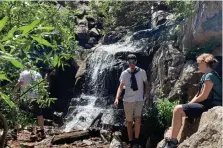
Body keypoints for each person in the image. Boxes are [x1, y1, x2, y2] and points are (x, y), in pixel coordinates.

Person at [163, 53, 222, 148]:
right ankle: (172, 139)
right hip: (206, 104)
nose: (197, 65)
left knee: (178, 109)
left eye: (199, 63)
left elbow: (204, 96)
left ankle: (172, 142)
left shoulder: (210, 76)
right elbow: (198, 95)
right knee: (179, 108)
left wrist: (186, 106)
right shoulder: (206, 76)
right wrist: (188, 105)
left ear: (204, 63)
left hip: (211, 105)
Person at [114, 54, 150, 148]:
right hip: (127, 100)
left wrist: (146, 94)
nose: (132, 64)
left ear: (136, 61)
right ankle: (131, 141)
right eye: (130, 62)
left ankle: (136, 141)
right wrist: (117, 98)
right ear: (127, 62)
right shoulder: (124, 74)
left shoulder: (142, 72)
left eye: (133, 61)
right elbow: (120, 87)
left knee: (138, 120)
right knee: (129, 122)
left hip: (139, 99)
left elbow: (146, 83)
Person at [14, 62, 46, 139]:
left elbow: (20, 83)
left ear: (25, 67)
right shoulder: (38, 74)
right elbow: (41, 86)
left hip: (25, 97)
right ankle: (42, 131)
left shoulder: (23, 73)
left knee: (19, 114)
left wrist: (14, 92)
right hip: (35, 97)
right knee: (39, 114)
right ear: (33, 67)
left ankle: (15, 132)